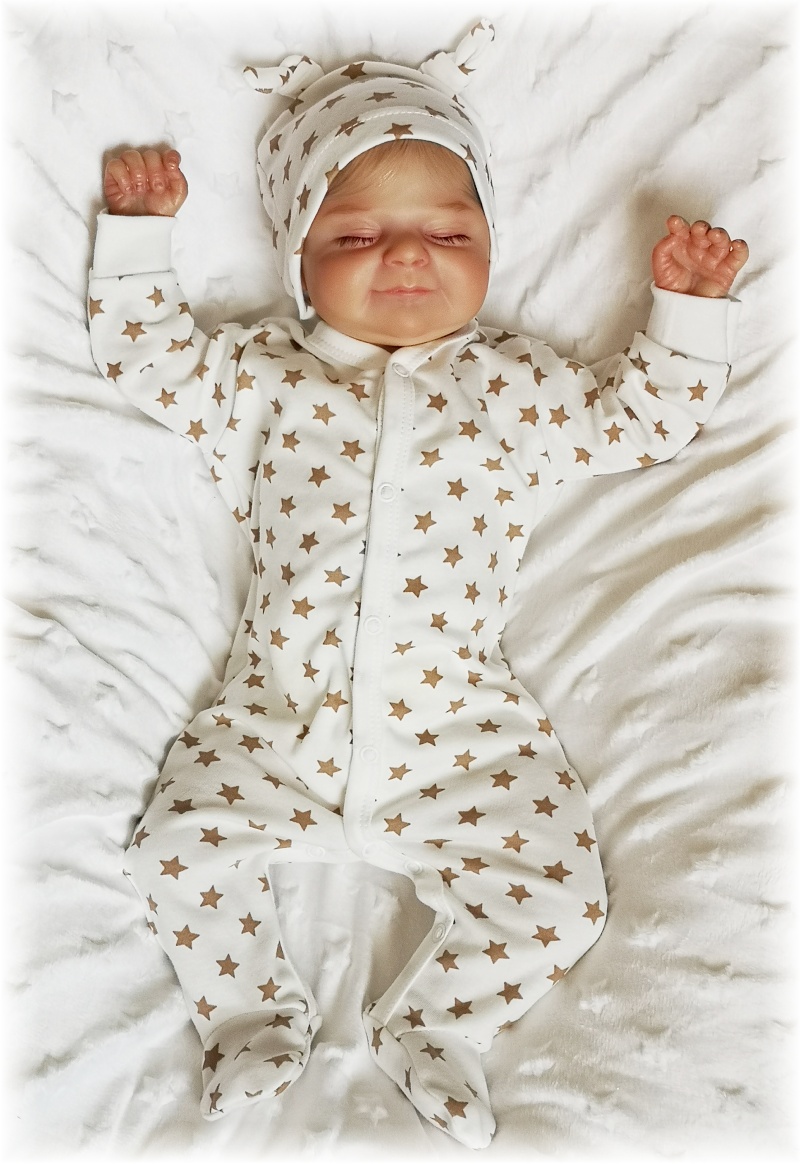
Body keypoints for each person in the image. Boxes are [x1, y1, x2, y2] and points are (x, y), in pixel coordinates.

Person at [87, 23, 748, 1149]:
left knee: (561, 900)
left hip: (459, 730)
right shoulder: (264, 377)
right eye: (356, 234)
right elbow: (149, 359)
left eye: (448, 231)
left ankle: (438, 1022)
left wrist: (684, 313)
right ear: (298, 261)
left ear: (489, 245)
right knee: (173, 850)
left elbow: (639, 422)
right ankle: (247, 1011)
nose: (405, 256)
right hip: (274, 714)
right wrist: (140, 237)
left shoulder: (515, 386)